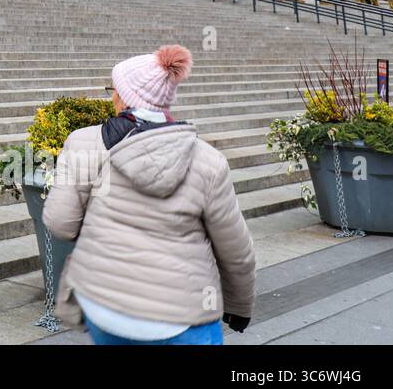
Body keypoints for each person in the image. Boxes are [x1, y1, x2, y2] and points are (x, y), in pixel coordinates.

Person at [42, 44, 256, 345]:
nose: (112, 96)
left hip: (105, 306)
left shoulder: (84, 143)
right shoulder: (208, 161)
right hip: (182, 314)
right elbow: (236, 251)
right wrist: (239, 307)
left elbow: (60, 223)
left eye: (113, 89)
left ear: (125, 96)